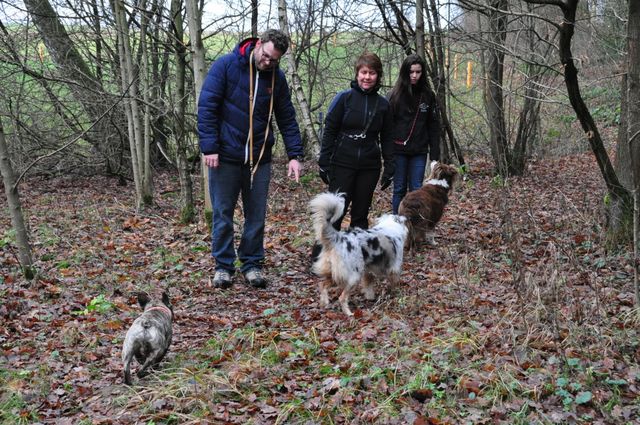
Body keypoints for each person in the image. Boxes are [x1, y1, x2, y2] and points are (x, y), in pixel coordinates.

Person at [198, 29, 304, 289]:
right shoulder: (226, 66)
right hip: (225, 156)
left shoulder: (276, 78)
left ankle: (252, 264)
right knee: (223, 214)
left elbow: (287, 117)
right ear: (258, 45)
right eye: (265, 56)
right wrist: (209, 147)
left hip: (260, 159)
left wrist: (294, 155)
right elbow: (207, 107)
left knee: (256, 216)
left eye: (274, 60)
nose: (267, 62)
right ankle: (223, 266)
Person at [317, 52, 394, 230]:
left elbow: (388, 137)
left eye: (372, 73)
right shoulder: (344, 99)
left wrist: (390, 166)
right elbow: (329, 131)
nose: (367, 77)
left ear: (378, 76)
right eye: (364, 72)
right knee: (335, 213)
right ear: (357, 74)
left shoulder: (383, 105)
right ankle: (325, 247)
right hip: (342, 162)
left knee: (360, 215)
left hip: (369, 166)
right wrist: (324, 161)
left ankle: (358, 247)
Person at [388, 54, 441, 214]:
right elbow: (386, 126)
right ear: (405, 72)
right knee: (399, 189)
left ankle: (415, 224)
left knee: (417, 189)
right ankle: (397, 222)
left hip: (419, 150)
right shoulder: (394, 95)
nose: (414, 75)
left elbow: (433, 126)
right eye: (411, 72)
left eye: (418, 72)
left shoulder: (428, 96)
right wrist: (387, 152)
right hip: (399, 150)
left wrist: (434, 155)